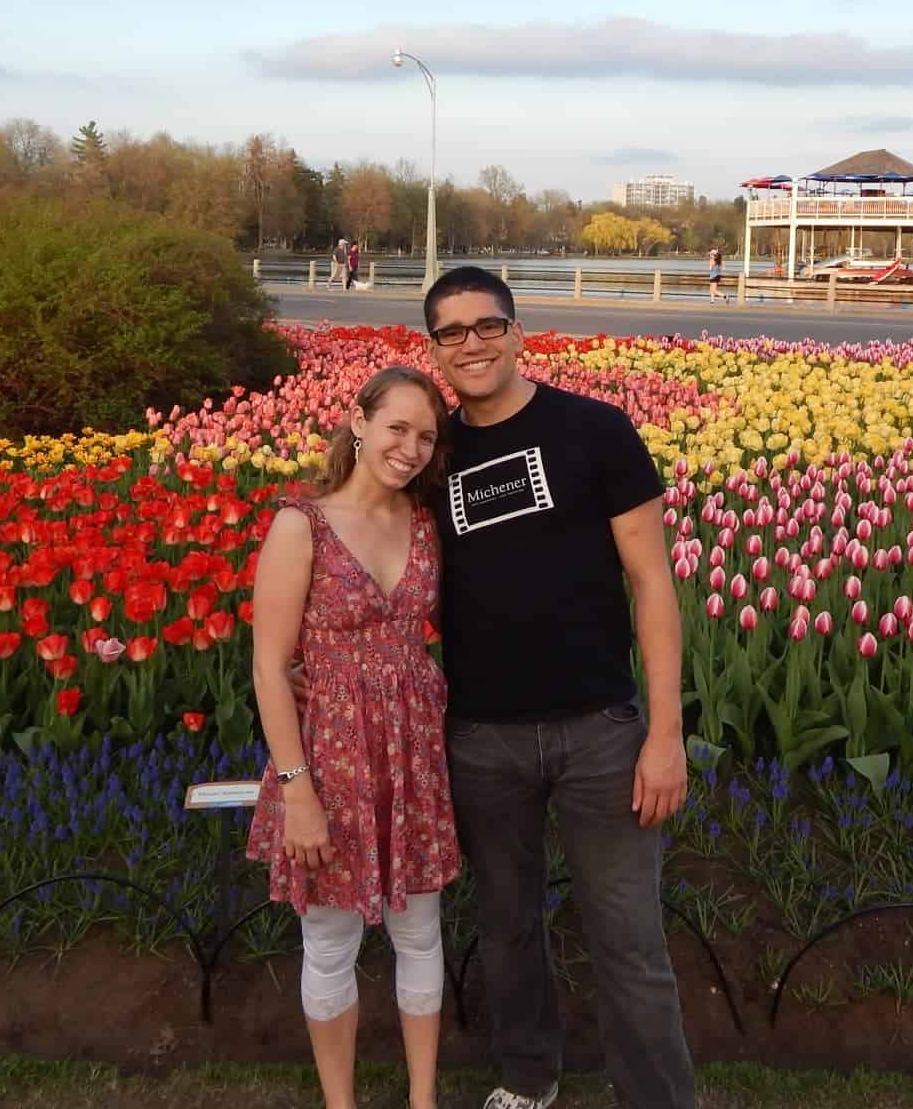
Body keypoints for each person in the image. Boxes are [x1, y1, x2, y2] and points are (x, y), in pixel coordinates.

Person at [421, 266, 693, 1109]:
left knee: (628, 938)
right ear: (433, 348)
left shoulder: (594, 431)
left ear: (517, 330)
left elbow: (652, 583)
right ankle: (529, 1076)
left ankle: (658, 1098)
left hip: (599, 729)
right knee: (506, 928)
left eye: (486, 325)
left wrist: (664, 732)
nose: (472, 343)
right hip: (481, 733)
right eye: (452, 332)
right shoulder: (432, 454)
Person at [248, 365, 461, 1109]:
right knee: (331, 940)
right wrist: (295, 791)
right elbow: (271, 671)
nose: (411, 447)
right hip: (331, 757)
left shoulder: (428, 523)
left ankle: (422, 1100)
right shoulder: (299, 524)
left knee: (419, 932)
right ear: (358, 421)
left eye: (427, 436)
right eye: (398, 426)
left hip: (413, 752)